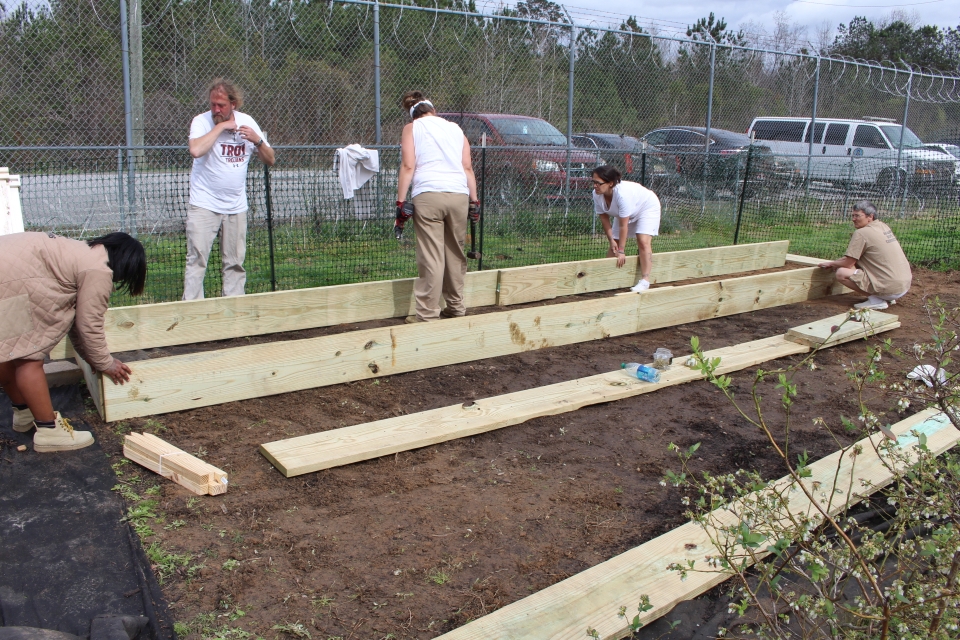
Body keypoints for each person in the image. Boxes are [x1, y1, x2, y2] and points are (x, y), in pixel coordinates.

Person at [0, 232, 146, 452]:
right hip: (12, 277)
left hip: (10, 271)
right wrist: (105, 362)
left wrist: (92, 358)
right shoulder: (98, 269)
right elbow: (89, 323)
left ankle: (24, 413)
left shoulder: (79, 252)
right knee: (29, 356)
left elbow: (77, 322)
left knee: (9, 347)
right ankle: (49, 432)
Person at [184, 78, 275, 300]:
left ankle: (234, 315)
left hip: (236, 206)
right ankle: (192, 315)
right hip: (204, 204)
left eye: (221, 105)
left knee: (234, 262)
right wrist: (221, 126)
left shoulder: (247, 122)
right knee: (197, 260)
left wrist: (257, 141)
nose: (216, 109)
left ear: (233, 104)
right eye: (213, 104)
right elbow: (196, 150)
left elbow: (270, 159)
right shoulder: (202, 122)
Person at [395, 91, 479, 322]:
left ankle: (427, 314)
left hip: (429, 194)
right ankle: (456, 307)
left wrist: (401, 204)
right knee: (455, 252)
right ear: (434, 110)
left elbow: (408, 166)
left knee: (431, 256)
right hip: (459, 195)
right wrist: (475, 201)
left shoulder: (412, 129)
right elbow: (467, 168)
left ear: (413, 115)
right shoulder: (456, 129)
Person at [818, 200, 912, 310]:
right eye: (852, 215)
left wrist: (832, 263)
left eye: (857, 216)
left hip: (889, 289)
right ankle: (887, 297)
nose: (853, 219)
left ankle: (877, 300)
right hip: (903, 286)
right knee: (853, 264)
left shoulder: (861, 233)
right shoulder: (883, 226)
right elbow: (852, 258)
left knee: (841, 272)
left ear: (870, 216)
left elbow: (848, 263)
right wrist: (838, 262)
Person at [591, 165, 661, 292]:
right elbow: (604, 220)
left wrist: (622, 251)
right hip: (626, 212)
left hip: (646, 206)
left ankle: (645, 281)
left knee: (643, 241)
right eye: (593, 182)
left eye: (598, 183)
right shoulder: (597, 194)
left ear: (610, 183)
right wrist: (612, 241)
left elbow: (624, 225)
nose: (595, 186)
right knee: (615, 245)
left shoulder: (622, 195)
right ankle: (604, 280)